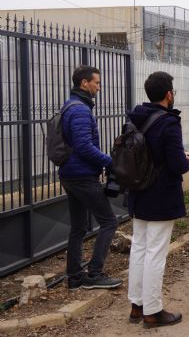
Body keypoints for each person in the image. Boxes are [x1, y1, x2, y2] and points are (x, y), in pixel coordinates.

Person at [126, 71, 189, 328]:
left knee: (139, 249)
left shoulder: (134, 119)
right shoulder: (168, 122)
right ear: (168, 94)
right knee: (156, 253)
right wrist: (186, 161)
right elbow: (177, 164)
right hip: (161, 196)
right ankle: (152, 312)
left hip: (138, 192)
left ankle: (136, 306)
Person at [58, 65, 122, 291]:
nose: (99, 87)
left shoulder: (70, 106)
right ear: (84, 83)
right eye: (97, 82)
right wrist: (109, 162)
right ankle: (94, 275)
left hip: (70, 174)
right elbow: (84, 147)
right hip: (82, 176)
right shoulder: (80, 111)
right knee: (109, 222)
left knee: (78, 228)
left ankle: (75, 277)